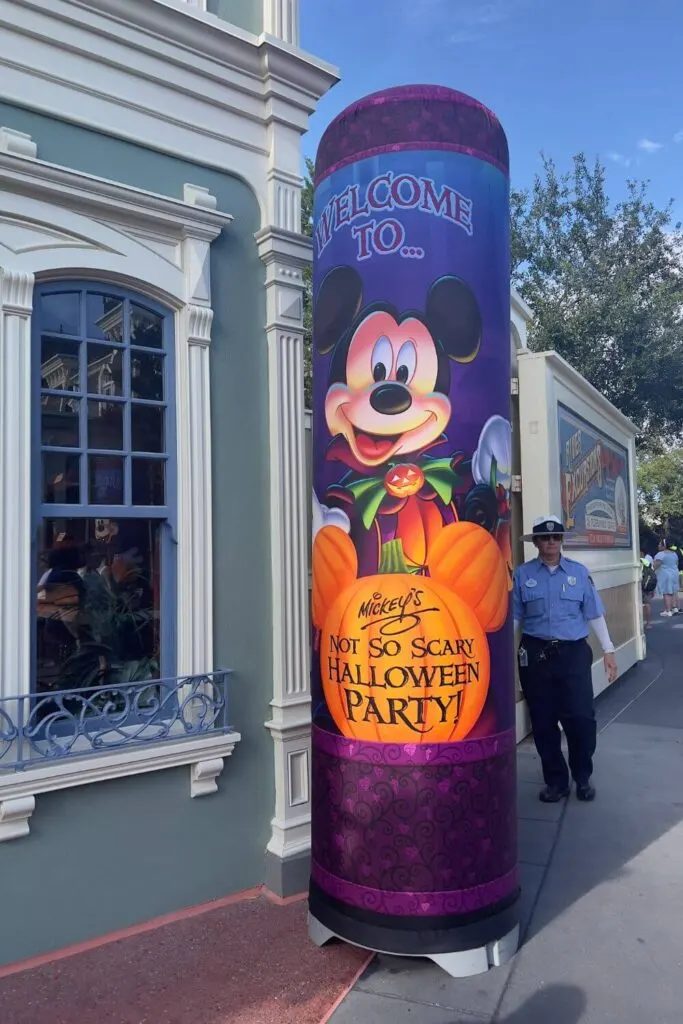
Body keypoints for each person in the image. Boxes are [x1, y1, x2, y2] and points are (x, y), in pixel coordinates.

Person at [513, 515, 618, 804]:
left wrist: (608, 651)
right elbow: (515, 617)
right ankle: (556, 781)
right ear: (535, 542)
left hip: (572, 653)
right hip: (535, 654)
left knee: (581, 718)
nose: (551, 542)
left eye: (556, 537)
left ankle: (582, 776)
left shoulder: (579, 573)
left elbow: (594, 614)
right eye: (545, 538)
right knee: (543, 722)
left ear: (561, 541)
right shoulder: (523, 575)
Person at [654, 538, 679, 617]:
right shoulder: (674, 554)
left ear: (664, 546)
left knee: (666, 592)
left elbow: (656, 565)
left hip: (665, 575)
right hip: (675, 573)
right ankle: (674, 608)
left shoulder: (660, 554)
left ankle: (668, 611)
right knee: (674, 591)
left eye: (659, 544)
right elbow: (676, 563)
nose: (658, 545)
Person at [640, 549, 656, 629]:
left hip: (639, 585)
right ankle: (649, 623)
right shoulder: (647, 563)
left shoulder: (637, 562)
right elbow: (652, 575)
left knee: (639, 605)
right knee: (647, 604)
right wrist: (652, 589)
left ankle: (639, 623)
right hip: (647, 585)